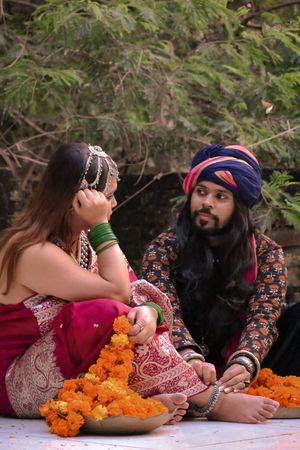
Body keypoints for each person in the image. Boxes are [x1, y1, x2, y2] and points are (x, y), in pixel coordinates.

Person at [0, 142, 279, 424]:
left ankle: (138, 397)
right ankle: (210, 402)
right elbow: (116, 293)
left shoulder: (82, 241)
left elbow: (134, 291)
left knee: (130, 319)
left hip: (63, 367)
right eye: (108, 196)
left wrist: (149, 311)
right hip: (14, 381)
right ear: (79, 200)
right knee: (99, 314)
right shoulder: (31, 252)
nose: (114, 204)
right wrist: (100, 225)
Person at [142, 143, 300, 396]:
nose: (206, 203)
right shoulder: (163, 249)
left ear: (239, 206)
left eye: (220, 196)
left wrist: (245, 361)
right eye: (201, 192)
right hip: (178, 358)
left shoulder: (266, 253)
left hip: (246, 362)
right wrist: (187, 354)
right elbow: (164, 308)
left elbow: (264, 316)